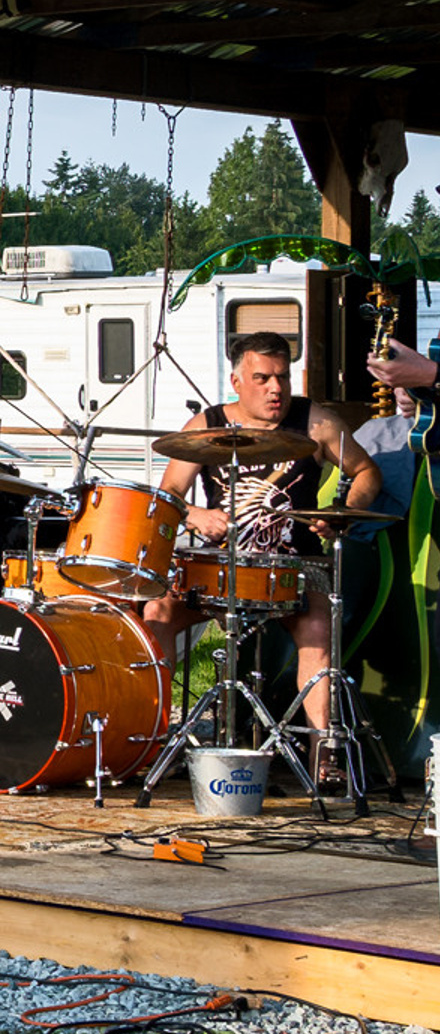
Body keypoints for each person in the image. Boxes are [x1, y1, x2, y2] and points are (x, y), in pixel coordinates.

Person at [142, 330, 382, 778]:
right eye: (263, 378)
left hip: (299, 566)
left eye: (283, 377)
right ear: (236, 381)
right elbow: (168, 493)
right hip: (222, 567)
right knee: (156, 612)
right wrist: (194, 514)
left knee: (317, 629)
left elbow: (367, 470)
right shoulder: (207, 426)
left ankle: (321, 755)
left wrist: (347, 510)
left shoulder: (315, 421)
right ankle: (150, 740)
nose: (276, 389)